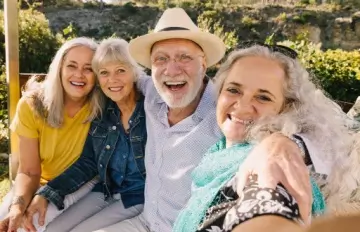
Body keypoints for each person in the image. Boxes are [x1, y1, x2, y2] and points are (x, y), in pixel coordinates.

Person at [95, 8, 335, 232]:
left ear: (203, 63)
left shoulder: (226, 113)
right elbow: (117, 80)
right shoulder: (153, 94)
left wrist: (284, 143)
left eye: (184, 57)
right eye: (160, 59)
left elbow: (329, 129)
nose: (171, 70)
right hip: (145, 222)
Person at [173, 43, 354, 231]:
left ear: (287, 108)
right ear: (219, 93)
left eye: (263, 97)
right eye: (234, 90)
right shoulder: (218, 152)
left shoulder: (270, 168)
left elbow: (268, 208)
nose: (242, 106)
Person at [22, 38, 147, 232]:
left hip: (137, 196)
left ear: (134, 72)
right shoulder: (105, 111)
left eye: (121, 70)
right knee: (52, 229)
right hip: (106, 190)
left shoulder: (150, 112)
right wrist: (47, 193)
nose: (112, 80)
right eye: (104, 73)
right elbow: (88, 161)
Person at [0, 37, 102, 232]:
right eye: (72, 66)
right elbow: (29, 170)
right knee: (6, 219)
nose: (79, 75)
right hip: (39, 180)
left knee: (29, 227)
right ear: (60, 68)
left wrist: (45, 196)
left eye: (89, 68)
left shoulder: (102, 107)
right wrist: (18, 205)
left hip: (81, 183)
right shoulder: (32, 104)